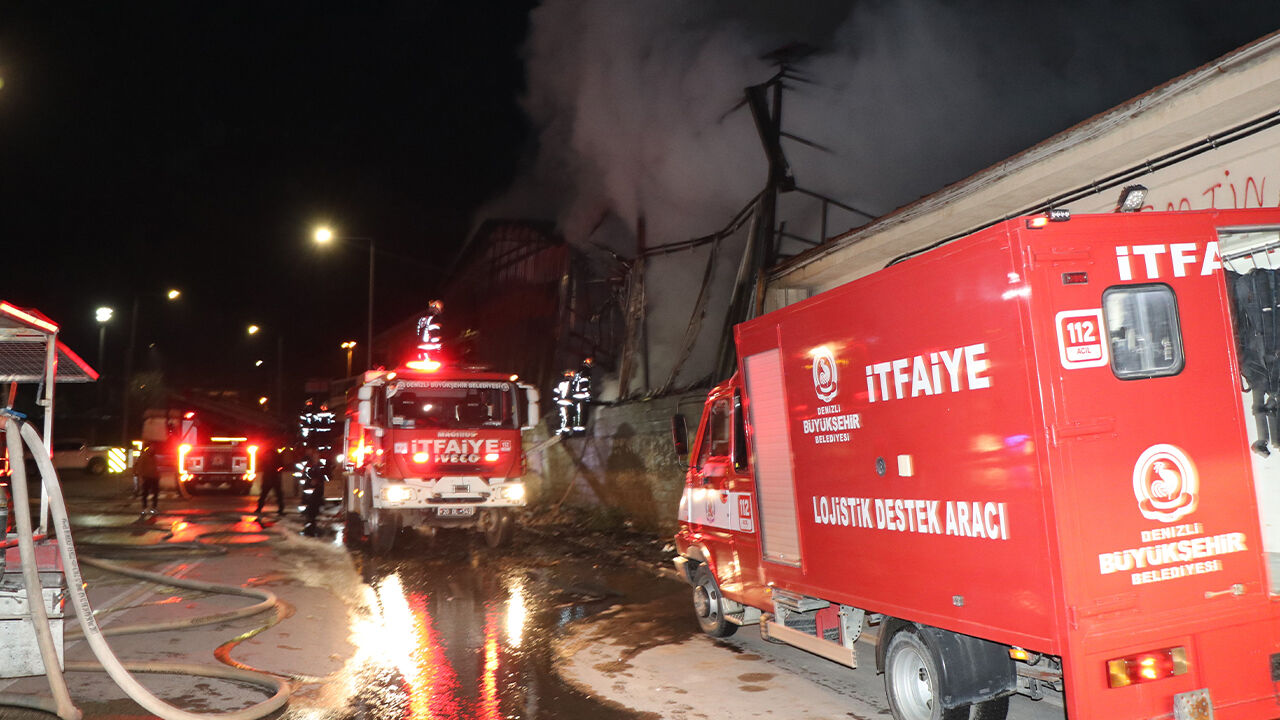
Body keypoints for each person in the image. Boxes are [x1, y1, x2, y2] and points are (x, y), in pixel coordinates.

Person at [255, 448, 286, 517]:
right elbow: (281, 465)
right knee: (278, 495)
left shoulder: (266, 458)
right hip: (274, 478)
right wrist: (277, 471)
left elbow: (262, 466)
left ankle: (259, 508)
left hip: (268, 478)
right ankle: (281, 509)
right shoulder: (276, 457)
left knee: (264, 494)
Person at [134, 444, 160, 515]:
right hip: (147, 477)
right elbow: (140, 467)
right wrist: (141, 477)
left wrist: (158, 475)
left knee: (155, 493)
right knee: (146, 493)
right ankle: (145, 507)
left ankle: (153, 507)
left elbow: (156, 466)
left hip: (154, 477)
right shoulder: (145, 457)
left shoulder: (153, 457)